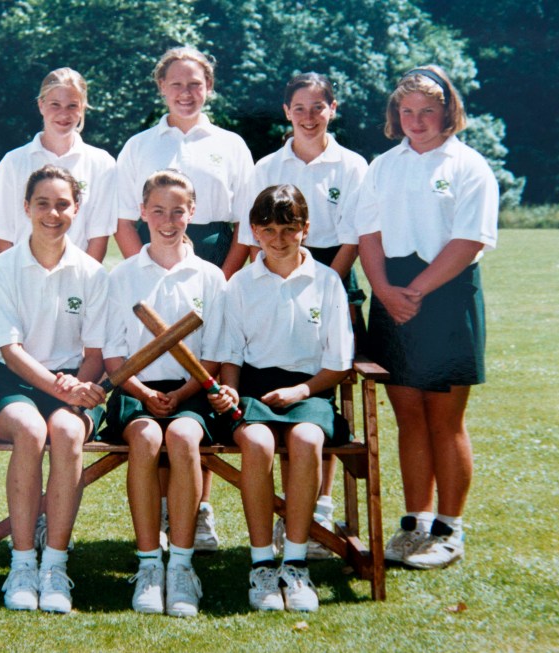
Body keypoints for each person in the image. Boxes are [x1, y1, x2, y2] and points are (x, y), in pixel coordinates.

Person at [355, 65, 498, 569]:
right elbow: (368, 234)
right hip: (391, 296)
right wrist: (384, 291)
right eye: (407, 111)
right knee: (408, 417)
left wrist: (412, 291)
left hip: (446, 296)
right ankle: (415, 524)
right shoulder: (383, 166)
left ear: (447, 112)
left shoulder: (469, 166)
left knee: (445, 420)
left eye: (427, 112)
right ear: (397, 115)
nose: (416, 121)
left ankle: (449, 530)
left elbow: (470, 240)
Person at [115, 45, 254, 550]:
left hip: (216, 261)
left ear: (209, 86)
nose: (186, 92)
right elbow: (121, 220)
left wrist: (219, 277)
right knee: (158, 394)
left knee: (200, 376)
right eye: (176, 83)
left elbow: (244, 225)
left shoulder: (231, 144)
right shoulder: (139, 146)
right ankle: (162, 517)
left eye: (195, 83)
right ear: (161, 88)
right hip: (152, 261)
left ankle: (198, 510)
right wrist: (145, 272)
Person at [233, 72, 369, 560]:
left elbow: (354, 234)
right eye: (299, 107)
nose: (309, 116)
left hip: (331, 266)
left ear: (333, 108)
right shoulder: (267, 164)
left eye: (318, 106)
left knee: (321, 382)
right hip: (276, 267)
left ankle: (319, 509)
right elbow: (254, 235)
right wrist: (276, 276)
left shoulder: (353, 165)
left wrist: (319, 279)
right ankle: (279, 531)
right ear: (286, 111)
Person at [209, 184, 354, 612]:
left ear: (305, 229)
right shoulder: (239, 284)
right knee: (257, 443)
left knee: (308, 441)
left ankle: (295, 562)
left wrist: (301, 390)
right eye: (268, 229)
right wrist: (231, 388)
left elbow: (339, 361)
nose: (278, 239)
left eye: (288, 229)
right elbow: (231, 353)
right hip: (253, 388)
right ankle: (261, 566)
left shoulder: (327, 281)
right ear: (253, 231)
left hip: (309, 387)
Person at [0, 165, 108, 613]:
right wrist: (60, 387)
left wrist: (78, 385)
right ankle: (21, 564)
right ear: (26, 207)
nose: (53, 213)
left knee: (68, 434)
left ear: (77, 208)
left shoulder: (93, 273)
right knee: (31, 431)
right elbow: (10, 352)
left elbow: (95, 350)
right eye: (43, 204)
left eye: (62, 204)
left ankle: (55, 565)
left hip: (75, 383)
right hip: (16, 385)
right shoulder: (0, 269)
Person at [101, 170, 227, 617]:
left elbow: (213, 353)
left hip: (191, 390)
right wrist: (142, 391)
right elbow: (114, 356)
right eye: (158, 210)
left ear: (192, 213)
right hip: (136, 388)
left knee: (182, 437)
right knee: (148, 438)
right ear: (142, 213)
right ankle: (150, 565)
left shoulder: (211, 277)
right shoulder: (123, 275)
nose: (168, 220)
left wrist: (187, 390)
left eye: (178, 211)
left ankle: (182, 567)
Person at [0, 67, 116, 261]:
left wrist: (80, 285)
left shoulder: (102, 164)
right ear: (41, 105)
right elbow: (3, 235)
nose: (63, 114)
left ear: (82, 107)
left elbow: (98, 237)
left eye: (72, 105)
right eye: (55, 104)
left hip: (76, 280)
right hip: (23, 278)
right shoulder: (13, 163)